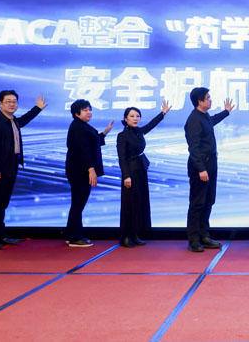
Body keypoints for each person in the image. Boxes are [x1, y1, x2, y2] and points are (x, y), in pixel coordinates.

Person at [0, 90, 46, 249]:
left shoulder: (13, 120)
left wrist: (37, 108)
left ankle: (0, 235)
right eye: (8, 101)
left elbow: (24, 120)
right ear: (0, 103)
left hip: (11, 166)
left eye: (14, 101)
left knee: (2, 203)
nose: (12, 104)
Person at [116, 101, 171, 248]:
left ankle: (134, 234)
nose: (135, 118)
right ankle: (125, 236)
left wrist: (163, 113)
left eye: (138, 116)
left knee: (139, 203)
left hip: (141, 170)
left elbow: (151, 125)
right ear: (126, 119)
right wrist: (126, 176)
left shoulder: (138, 132)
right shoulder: (122, 135)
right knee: (129, 204)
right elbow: (122, 158)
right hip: (130, 173)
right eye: (132, 116)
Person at [184, 87, 233, 252]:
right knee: (197, 203)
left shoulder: (204, 116)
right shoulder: (193, 119)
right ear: (200, 101)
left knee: (208, 201)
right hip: (201, 166)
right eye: (208, 98)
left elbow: (212, 120)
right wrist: (201, 169)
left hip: (211, 164)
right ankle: (193, 240)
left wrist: (226, 112)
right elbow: (193, 147)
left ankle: (204, 236)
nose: (211, 100)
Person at [65, 99, 113, 247]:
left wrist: (105, 132)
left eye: (90, 109)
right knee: (78, 203)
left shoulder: (82, 126)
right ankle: (75, 237)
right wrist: (90, 169)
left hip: (81, 170)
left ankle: (72, 234)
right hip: (79, 171)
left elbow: (93, 141)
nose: (89, 112)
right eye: (85, 110)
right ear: (76, 113)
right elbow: (82, 151)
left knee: (78, 203)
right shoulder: (78, 128)